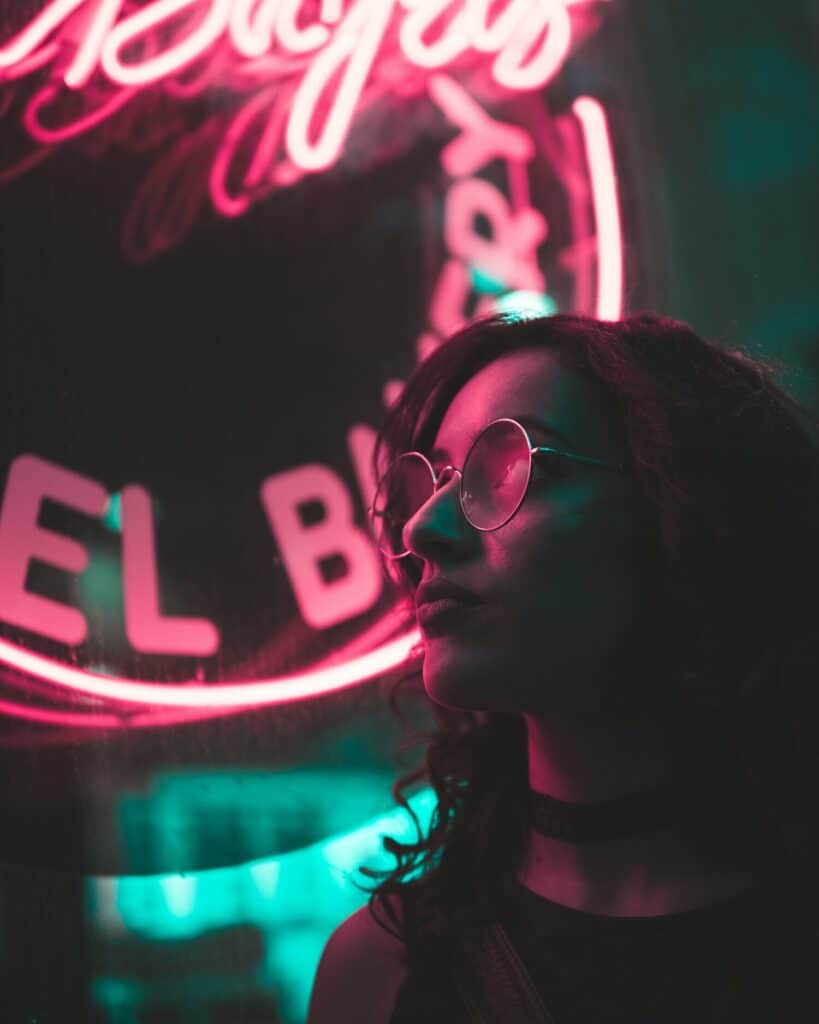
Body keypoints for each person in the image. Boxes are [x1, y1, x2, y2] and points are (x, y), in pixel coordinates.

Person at [308, 312, 819, 1023]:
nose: (423, 527)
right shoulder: (380, 972)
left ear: (677, 505)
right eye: (433, 480)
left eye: (512, 468)